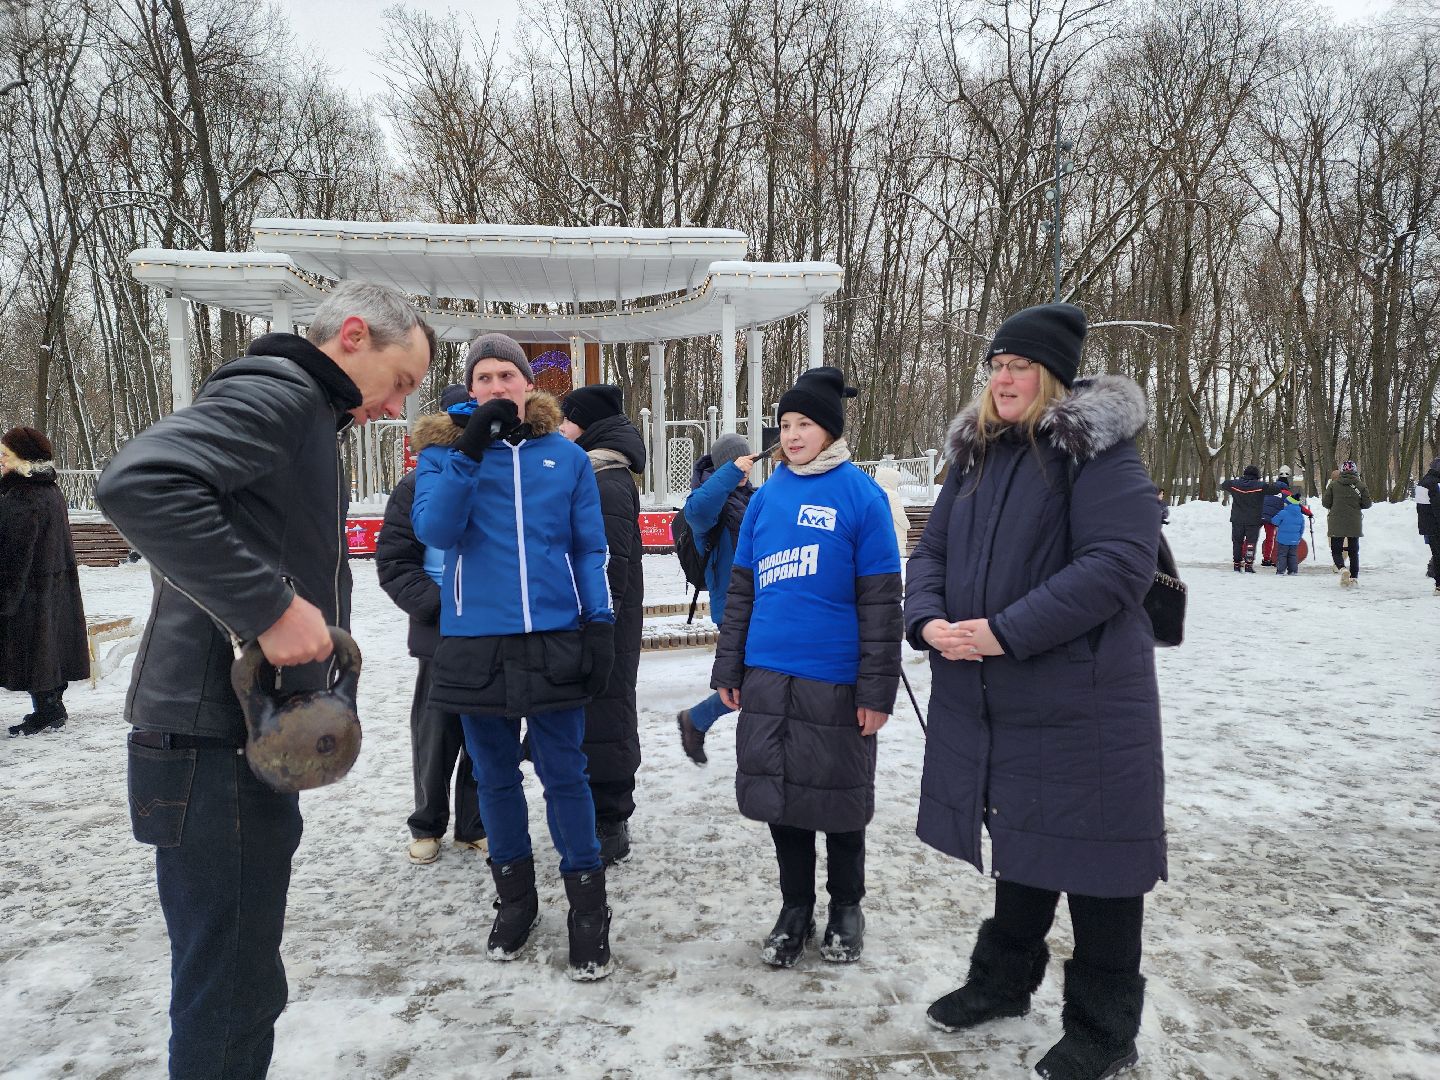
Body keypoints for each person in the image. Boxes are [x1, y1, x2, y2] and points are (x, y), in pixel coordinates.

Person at [95, 280, 434, 1080]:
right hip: (211, 744)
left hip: (227, 736)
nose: (397, 407)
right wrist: (271, 608)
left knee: (239, 980)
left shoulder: (307, 415)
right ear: (354, 335)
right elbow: (138, 483)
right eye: (403, 380)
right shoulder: (280, 397)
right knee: (230, 992)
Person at [904, 303, 1165, 1080]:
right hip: (997, 697)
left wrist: (1003, 631)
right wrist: (930, 622)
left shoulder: (1098, 453)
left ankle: (1103, 1029)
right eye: (996, 365)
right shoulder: (977, 456)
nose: (1004, 377)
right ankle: (1002, 982)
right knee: (1023, 835)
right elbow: (932, 551)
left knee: (1100, 864)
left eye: (1020, 366)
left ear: (1051, 376)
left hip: (1085, 700)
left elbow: (1119, 563)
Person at [411, 333, 618, 981]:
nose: (497, 386)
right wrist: (471, 451)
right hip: (475, 644)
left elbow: (589, 548)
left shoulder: (567, 457)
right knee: (495, 779)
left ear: (530, 385)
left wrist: (601, 622)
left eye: (509, 375)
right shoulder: (443, 456)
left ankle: (589, 912)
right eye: (484, 377)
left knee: (566, 776)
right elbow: (436, 532)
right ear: (470, 389)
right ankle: (516, 901)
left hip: (555, 636)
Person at [711, 366, 902, 968]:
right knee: (781, 801)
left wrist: (878, 689)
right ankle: (795, 909)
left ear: (831, 430)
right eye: (785, 425)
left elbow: (880, 601)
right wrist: (729, 669)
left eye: (805, 424)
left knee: (840, 801)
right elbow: (741, 590)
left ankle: (847, 905)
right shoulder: (766, 497)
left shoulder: (860, 495)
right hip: (768, 674)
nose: (792, 436)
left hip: (837, 680)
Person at [376, 383, 487, 865]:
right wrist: (440, 604)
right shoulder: (417, 483)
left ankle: (475, 824)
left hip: (495, 628)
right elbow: (397, 561)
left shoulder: (500, 475)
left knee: (487, 733)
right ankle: (428, 823)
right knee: (435, 733)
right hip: (441, 630)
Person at [558, 383, 646, 865]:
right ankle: (598, 810)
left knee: (607, 713)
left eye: (568, 420)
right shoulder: (596, 472)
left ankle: (611, 818)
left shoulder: (605, 479)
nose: (561, 429)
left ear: (586, 425)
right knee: (598, 713)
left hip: (605, 620)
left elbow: (611, 561)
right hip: (597, 618)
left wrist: (598, 622)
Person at [674, 432, 757, 765]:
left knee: (754, 681)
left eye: (747, 460)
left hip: (764, 603)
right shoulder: (708, 504)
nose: (746, 469)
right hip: (734, 606)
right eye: (738, 461)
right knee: (753, 683)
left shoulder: (753, 497)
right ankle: (698, 720)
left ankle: (696, 720)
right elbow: (695, 510)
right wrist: (731, 473)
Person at [1, 426, 88, 737]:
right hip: (53, 586)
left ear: (23, 459)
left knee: (36, 648)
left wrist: (7, 596)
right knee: (50, 645)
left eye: (6, 455)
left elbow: (16, 552)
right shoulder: (49, 488)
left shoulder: (22, 496)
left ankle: (47, 709)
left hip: (30, 591)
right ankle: (52, 706)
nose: (1, 460)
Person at [1323, 460, 1371, 586]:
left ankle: (1343, 569)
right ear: (1355, 470)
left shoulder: (1333, 485)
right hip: (1354, 522)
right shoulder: (1361, 485)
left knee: (1336, 550)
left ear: (1342, 470)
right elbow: (1367, 504)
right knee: (1354, 552)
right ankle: (1354, 578)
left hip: (1336, 521)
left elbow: (1325, 503)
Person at [1219, 464, 1268, 572]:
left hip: (1237, 519)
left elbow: (1224, 484)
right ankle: (1248, 565)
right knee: (1251, 542)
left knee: (1237, 542)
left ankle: (1236, 564)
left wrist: (1238, 481)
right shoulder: (1260, 486)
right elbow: (1275, 490)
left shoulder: (1235, 485)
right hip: (1253, 520)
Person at [873, 465, 913, 559]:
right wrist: (907, 525)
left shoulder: (874, 492)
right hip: (895, 533)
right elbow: (898, 515)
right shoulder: (892, 495)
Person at [1259, 466, 1293, 566]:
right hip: (1272, 518)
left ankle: (1244, 556)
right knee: (1271, 538)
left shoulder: (1269, 489)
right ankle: (1269, 559)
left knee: (1251, 536)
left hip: (1259, 514)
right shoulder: (1287, 493)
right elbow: (1289, 508)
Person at [1418, 453, 1440, 593]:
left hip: (1427, 525)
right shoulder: (1434, 484)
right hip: (1436, 525)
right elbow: (1437, 507)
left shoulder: (1423, 482)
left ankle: (1438, 584)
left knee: (1436, 554)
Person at [1270, 489, 1306, 575]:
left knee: (1282, 555)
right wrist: (1298, 537)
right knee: (1293, 555)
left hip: (1283, 539)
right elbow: (1302, 528)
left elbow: (1274, 521)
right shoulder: (1300, 515)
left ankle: (1281, 570)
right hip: (1294, 540)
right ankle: (1293, 571)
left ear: (1288, 503)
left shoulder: (1283, 512)